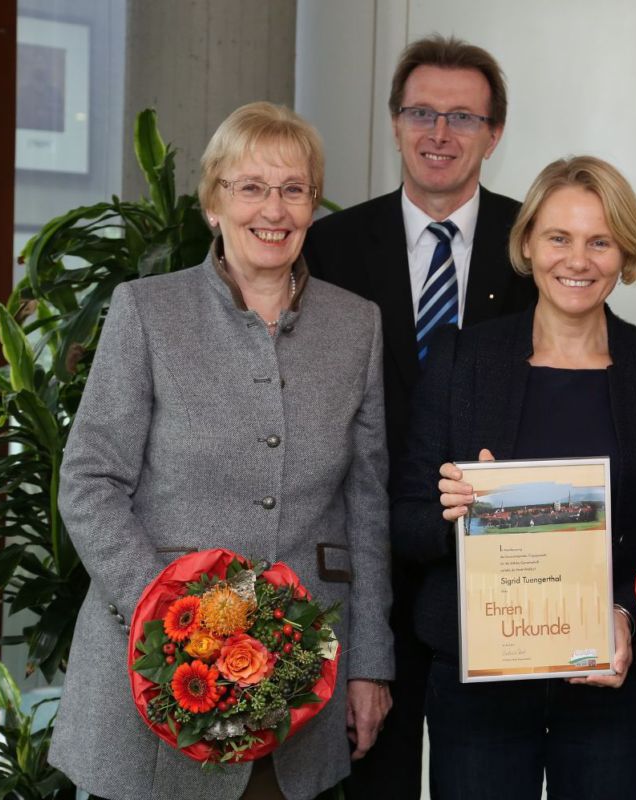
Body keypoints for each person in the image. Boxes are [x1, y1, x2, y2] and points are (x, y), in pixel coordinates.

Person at [50, 101, 394, 800]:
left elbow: (366, 503)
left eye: (294, 189)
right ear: (214, 204)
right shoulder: (147, 311)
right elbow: (88, 482)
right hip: (154, 681)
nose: (274, 209)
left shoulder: (356, 326)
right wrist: (168, 613)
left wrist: (370, 665)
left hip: (298, 692)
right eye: (251, 187)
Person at [391, 156, 636, 799]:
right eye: (559, 238)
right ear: (527, 245)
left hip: (614, 689)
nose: (579, 259)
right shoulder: (461, 361)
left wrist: (626, 612)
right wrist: (453, 511)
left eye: (600, 241)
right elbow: (404, 522)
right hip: (478, 687)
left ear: (625, 253)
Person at [301, 35, 537, 798]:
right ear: (396, 121)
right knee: (376, 777)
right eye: (422, 112)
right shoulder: (329, 246)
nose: (440, 134)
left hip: (500, 568)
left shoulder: (539, 248)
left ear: (494, 133)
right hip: (367, 565)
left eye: (463, 118)